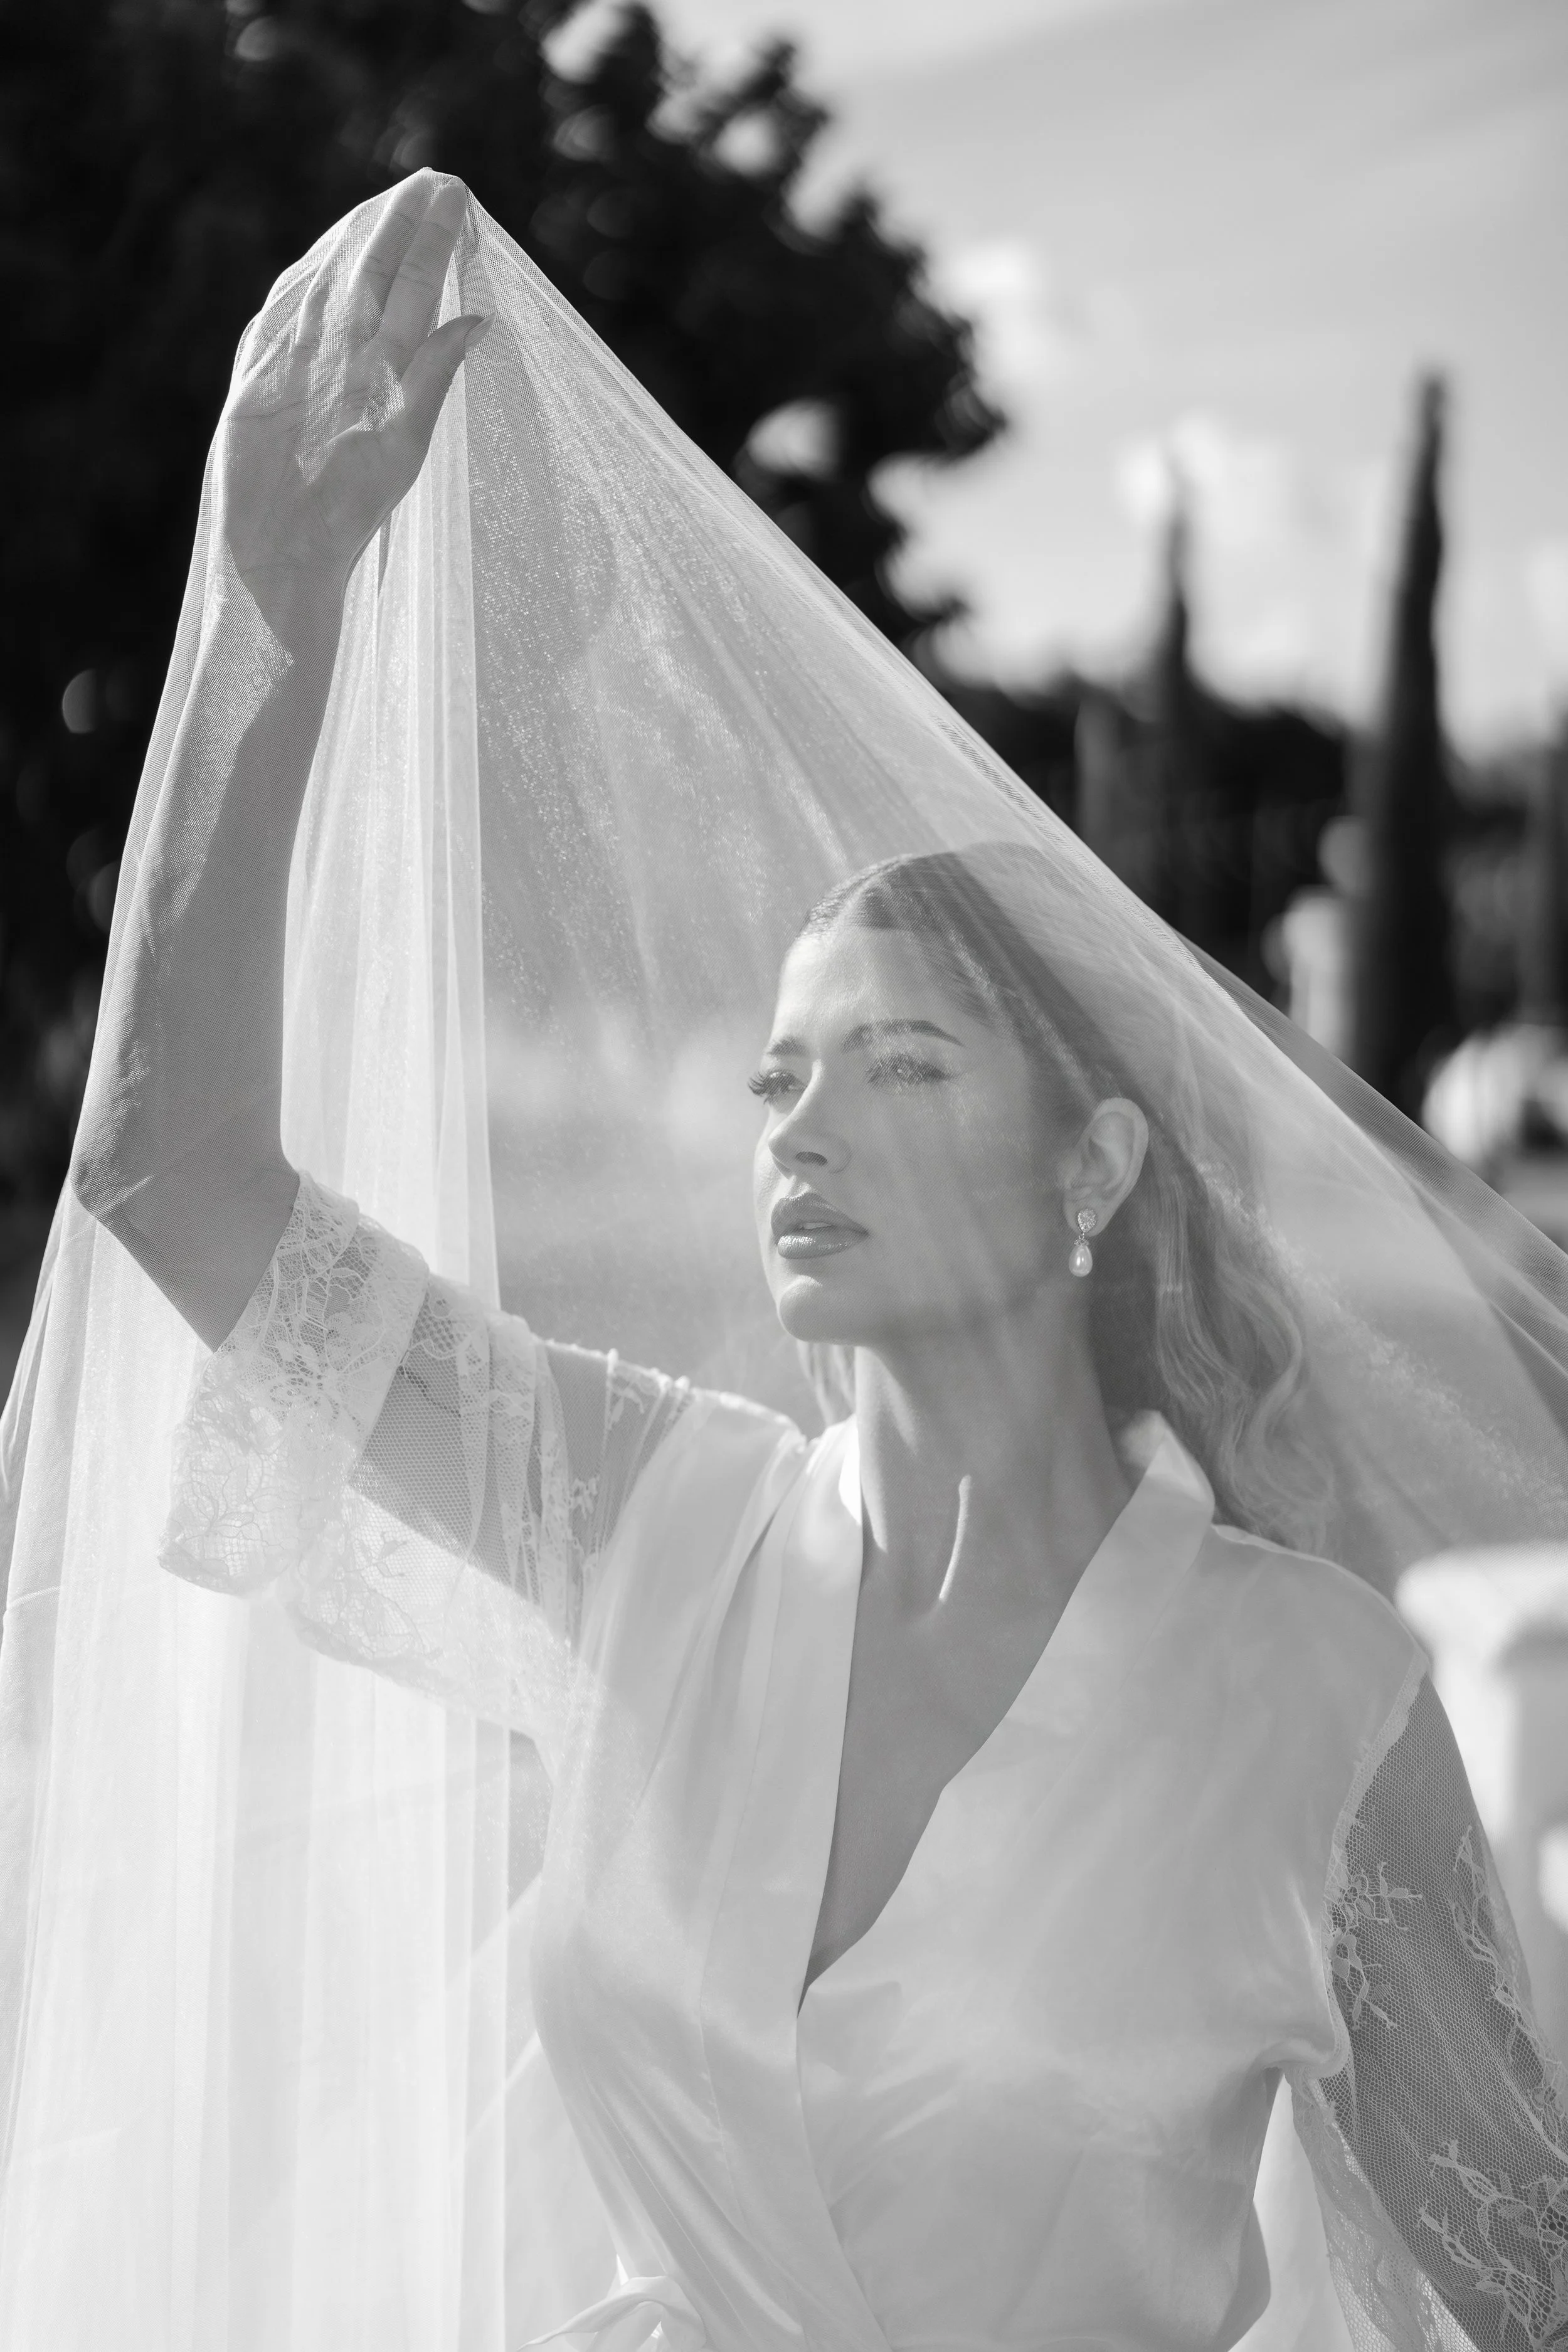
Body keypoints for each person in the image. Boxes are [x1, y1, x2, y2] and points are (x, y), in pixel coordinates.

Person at [8, 172, 1568, 2352]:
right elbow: (174, 1179)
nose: (800, 1124)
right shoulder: (650, 1513)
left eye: (895, 1065)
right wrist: (269, 591)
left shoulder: (1321, 1706)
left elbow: (1522, 2303)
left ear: (1092, 1165)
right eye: (776, 1079)